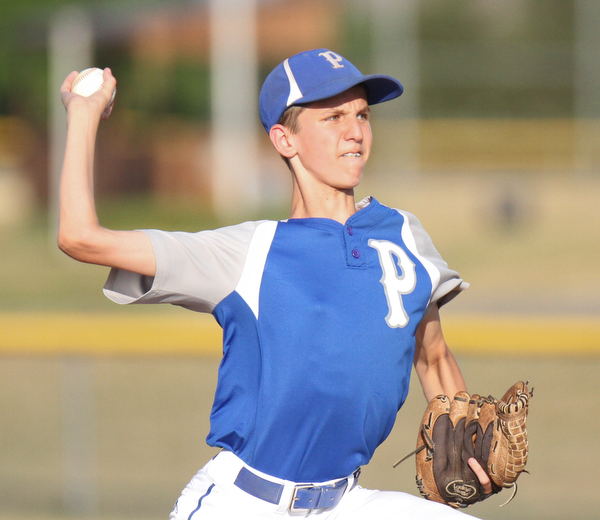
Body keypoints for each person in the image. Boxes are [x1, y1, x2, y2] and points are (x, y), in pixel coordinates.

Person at [58, 49, 492, 519]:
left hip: (346, 502)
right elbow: (80, 237)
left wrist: (466, 446)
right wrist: (84, 115)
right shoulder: (249, 252)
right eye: (333, 118)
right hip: (243, 503)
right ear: (285, 139)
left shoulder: (404, 234)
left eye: (362, 114)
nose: (356, 132)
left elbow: (433, 356)